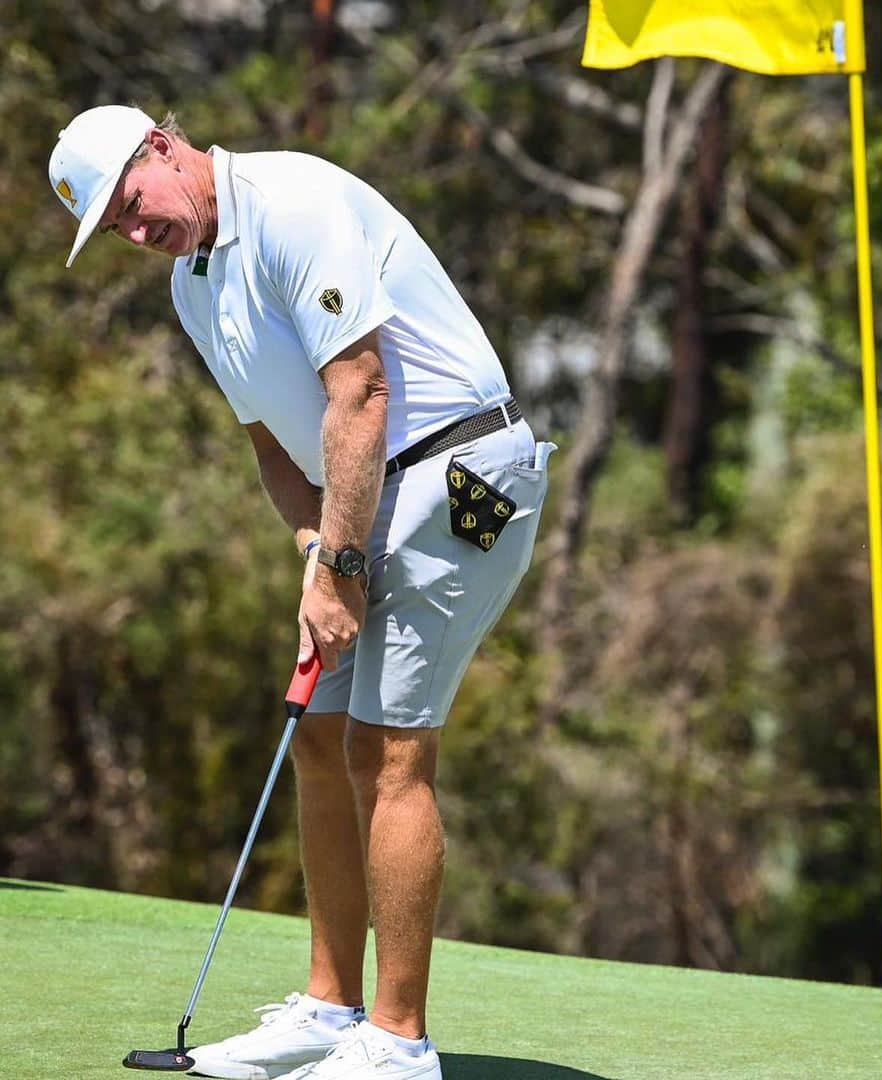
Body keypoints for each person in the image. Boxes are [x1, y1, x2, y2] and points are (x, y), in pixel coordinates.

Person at [49, 104, 555, 1080]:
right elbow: (274, 447)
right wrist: (315, 555)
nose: (136, 230)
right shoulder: (194, 287)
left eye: (131, 202)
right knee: (318, 734)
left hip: (472, 476)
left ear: (161, 146)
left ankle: (399, 1045)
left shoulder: (293, 200)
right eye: (117, 229)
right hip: (369, 503)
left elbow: (361, 396)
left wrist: (343, 566)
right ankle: (330, 1011)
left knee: (387, 748)